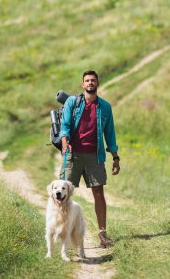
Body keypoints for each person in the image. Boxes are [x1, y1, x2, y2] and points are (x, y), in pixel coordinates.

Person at [59, 70, 120, 248]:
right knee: (63, 194)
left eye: (93, 80)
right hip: (73, 154)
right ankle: (64, 234)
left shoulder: (105, 107)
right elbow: (65, 125)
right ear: (82, 84)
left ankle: (102, 234)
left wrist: (115, 157)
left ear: (97, 84)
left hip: (95, 156)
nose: (90, 83)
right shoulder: (73, 102)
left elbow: (110, 134)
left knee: (99, 194)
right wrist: (64, 142)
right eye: (87, 81)